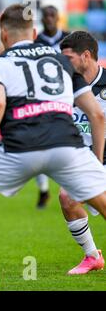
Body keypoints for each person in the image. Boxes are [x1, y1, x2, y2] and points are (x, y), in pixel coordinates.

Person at [0, 4, 106, 291]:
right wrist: (96, 164)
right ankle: (92, 254)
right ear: (34, 32)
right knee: (102, 201)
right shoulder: (61, 60)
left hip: (20, 148)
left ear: (3, 35)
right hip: (66, 146)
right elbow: (97, 115)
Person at [58, 31, 105, 274]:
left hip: (101, 159)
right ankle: (92, 256)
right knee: (66, 197)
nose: (64, 64)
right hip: (82, 159)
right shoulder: (63, 85)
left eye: (69, 58)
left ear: (86, 56)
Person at [33, 5, 71, 208]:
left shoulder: (69, 39)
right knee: (37, 145)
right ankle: (44, 189)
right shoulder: (35, 42)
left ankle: (72, 189)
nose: (48, 18)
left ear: (58, 17)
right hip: (41, 100)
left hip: (66, 98)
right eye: (45, 15)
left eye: (52, 15)